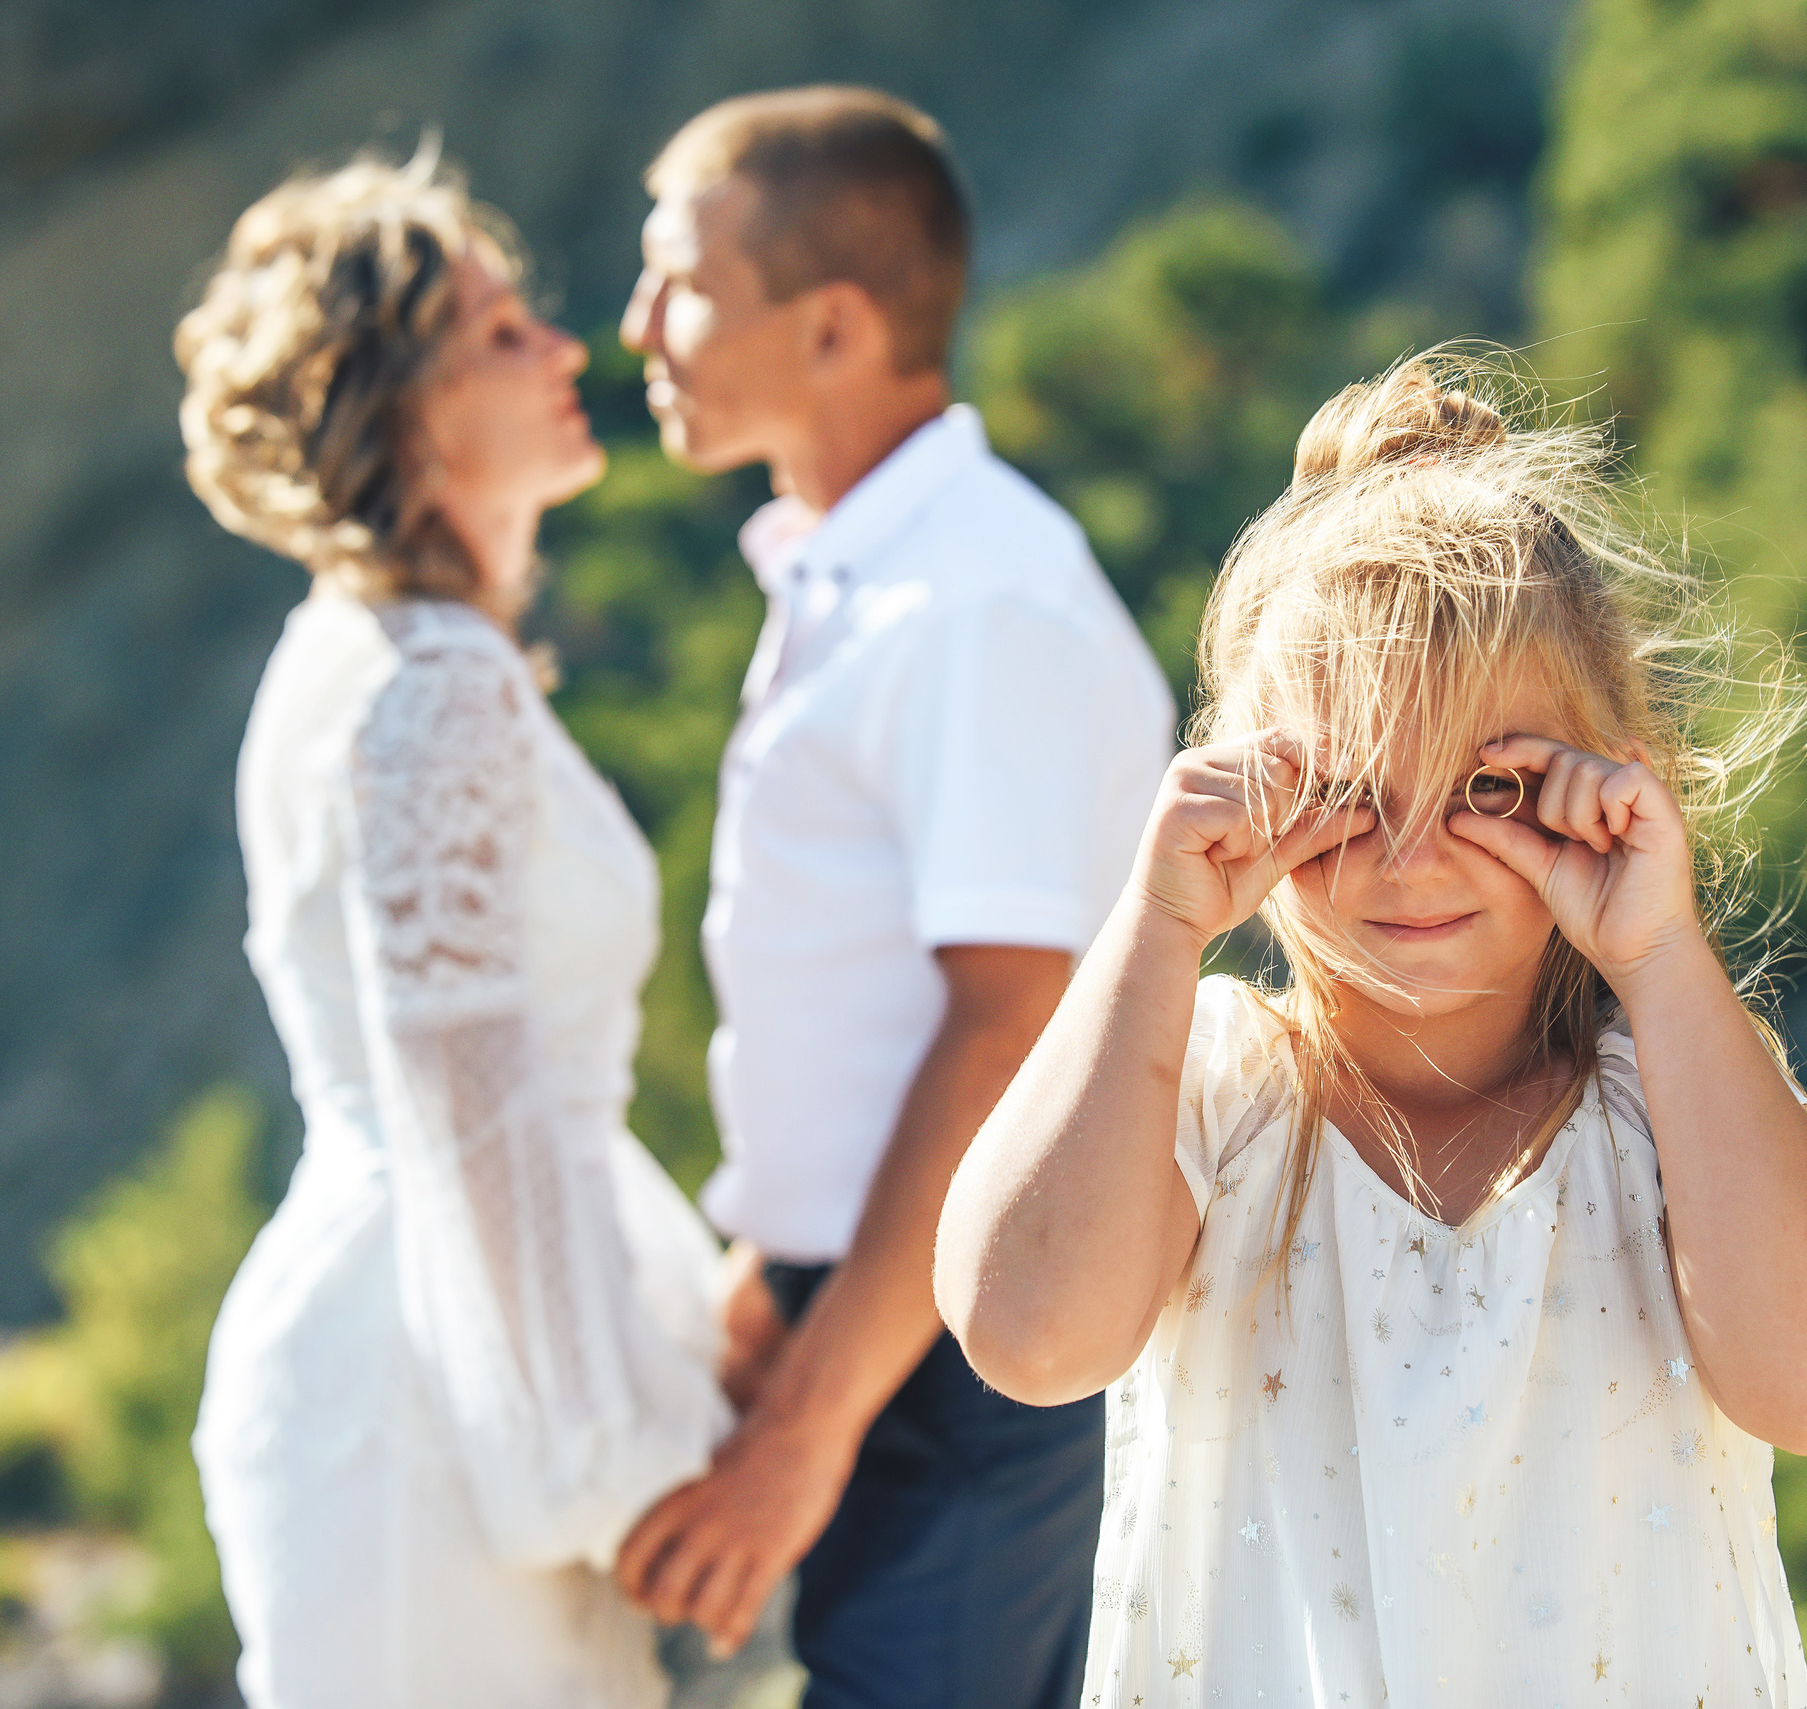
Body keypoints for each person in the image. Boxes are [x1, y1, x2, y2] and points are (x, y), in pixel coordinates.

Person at [935, 352, 1807, 1702]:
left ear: (1614, 780)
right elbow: (1027, 1335)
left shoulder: (1668, 1109)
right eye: (1343, 783)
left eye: (1492, 783)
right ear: (1241, 785)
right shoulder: (1211, 1094)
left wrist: (1662, 952)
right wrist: (1156, 926)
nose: (1412, 856)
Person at [610, 87, 1176, 1706]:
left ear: (838, 325)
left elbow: (1011, 1027)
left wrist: (806, 1426)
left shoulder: (971, 599)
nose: (642, 323)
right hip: (879, 1312)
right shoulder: (865, 571)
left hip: (967, 1357)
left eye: (685, 284)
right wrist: (776, 1253)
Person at [175, 148, 732, 1709]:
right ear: (395, 405)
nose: (565, 350)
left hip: (414, 1354)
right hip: (441, 1412)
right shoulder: (434, 683)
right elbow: (472, 1104)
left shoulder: (350, 656)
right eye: (500, 333)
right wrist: (607, 1472)